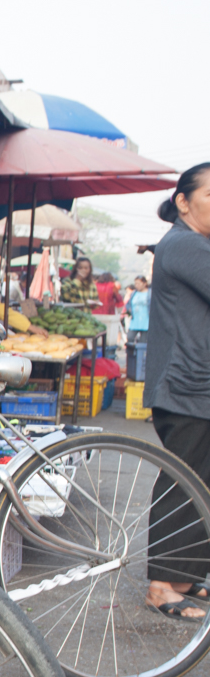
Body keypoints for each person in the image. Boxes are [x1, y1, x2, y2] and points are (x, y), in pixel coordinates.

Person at [143, 162, 210, 621]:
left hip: (195, 385)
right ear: (183, 202)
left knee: (200, 484)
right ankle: (162, 585)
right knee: (183, 485)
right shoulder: (186, 244)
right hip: (186, 387)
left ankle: (185, 579)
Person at [126, 275, 151, 342]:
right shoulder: (134, 293)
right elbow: (128, 304)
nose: (137, 285)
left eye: (139, 283)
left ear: (144, 284)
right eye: (135, 284)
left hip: (146, 321)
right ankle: (131, 352)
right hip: (135, 321)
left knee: (143, 341)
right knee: (130, 337)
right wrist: (129, 310)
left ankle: (140, 352)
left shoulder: (150, 293)